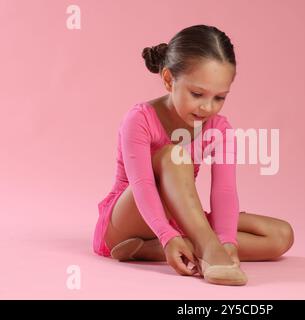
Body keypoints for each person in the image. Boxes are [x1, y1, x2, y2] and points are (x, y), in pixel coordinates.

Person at [93, 24, 294, 286]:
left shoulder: (219, 128)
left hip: (180, 219)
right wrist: (167, 234)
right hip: (126, 221)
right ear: (168, 80)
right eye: (197, 94)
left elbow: (224, 191)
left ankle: (151, 249)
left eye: (219, 97)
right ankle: (208, 250)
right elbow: (142, 186)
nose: (207, 107)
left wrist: (228, 241)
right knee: (174, 155)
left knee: (280, 235)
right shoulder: (140, 119)